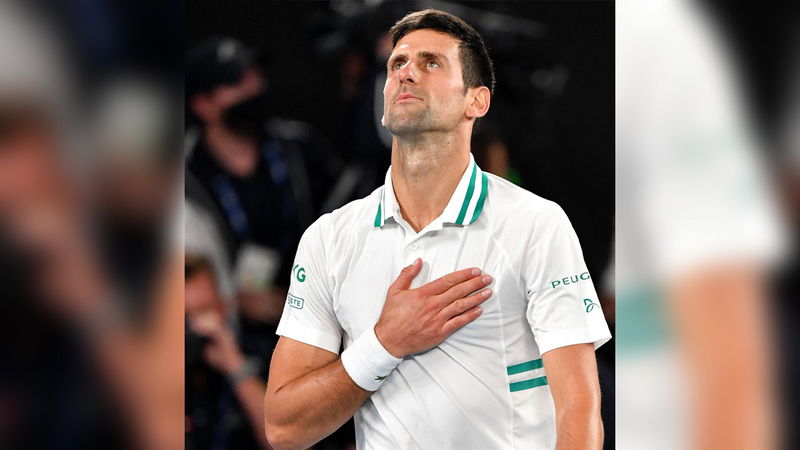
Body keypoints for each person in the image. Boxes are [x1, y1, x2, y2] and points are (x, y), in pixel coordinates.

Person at [264, 9, 611, 450]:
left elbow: (578, 408)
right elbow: (284, 428)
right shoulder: (329, 238)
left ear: (477, 102)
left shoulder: (535, 224)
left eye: (431, 62)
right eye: (397, 63)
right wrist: (385, 343)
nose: (406, 73)